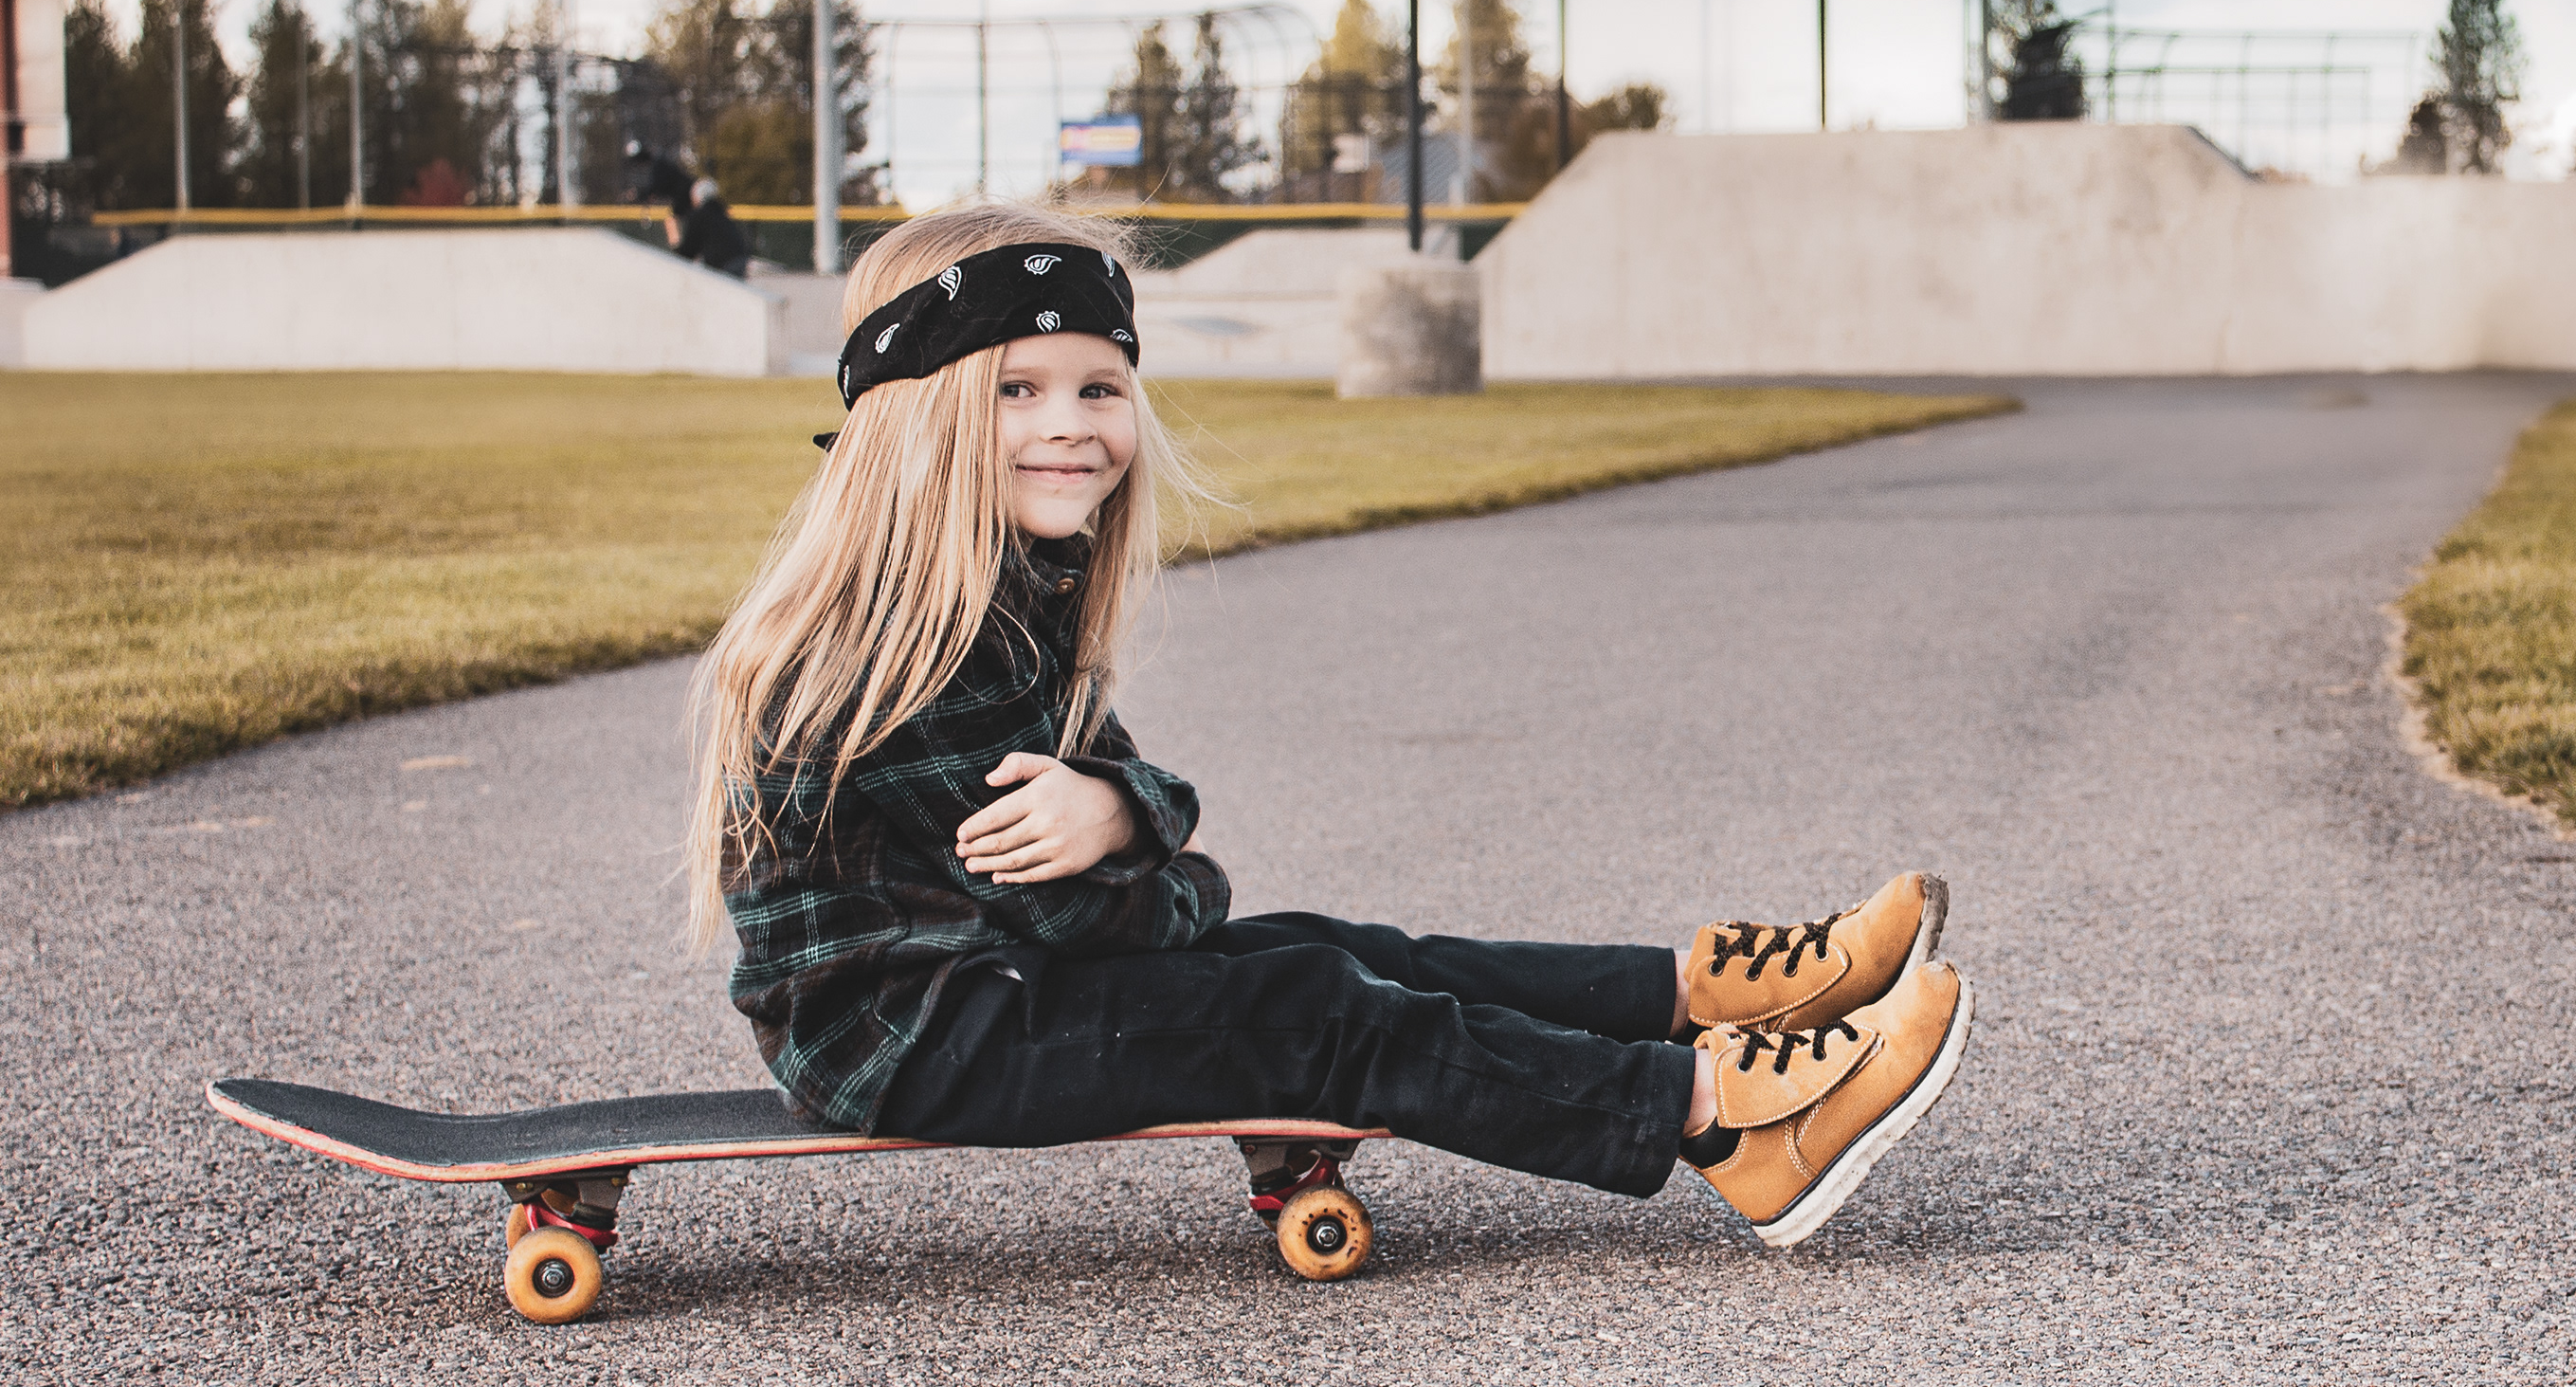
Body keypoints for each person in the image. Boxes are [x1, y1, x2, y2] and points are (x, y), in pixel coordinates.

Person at [631, 200, 1967, 1263]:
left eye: (1100, 387)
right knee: (1313, 1002)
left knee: (1350, 951)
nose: (1072, 426)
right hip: (912, 1037)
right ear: (915, 414)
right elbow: (1094, 919)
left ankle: (1712, 993)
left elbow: (1125, 836)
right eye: (1016, 388)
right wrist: (1160, 853)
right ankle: (1728, 1121)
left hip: (991, 982)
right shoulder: (894, 642)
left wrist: (1128, 820)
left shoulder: (997, 590)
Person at [626, 143, 752, 278]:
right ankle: (680, 249)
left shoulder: (699, 214)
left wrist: (639, 194)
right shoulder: (720, 212)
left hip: (724, 265)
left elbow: (689, 251)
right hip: (739, 260)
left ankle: (676, 247)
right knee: (675, 221)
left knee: (672, 221)